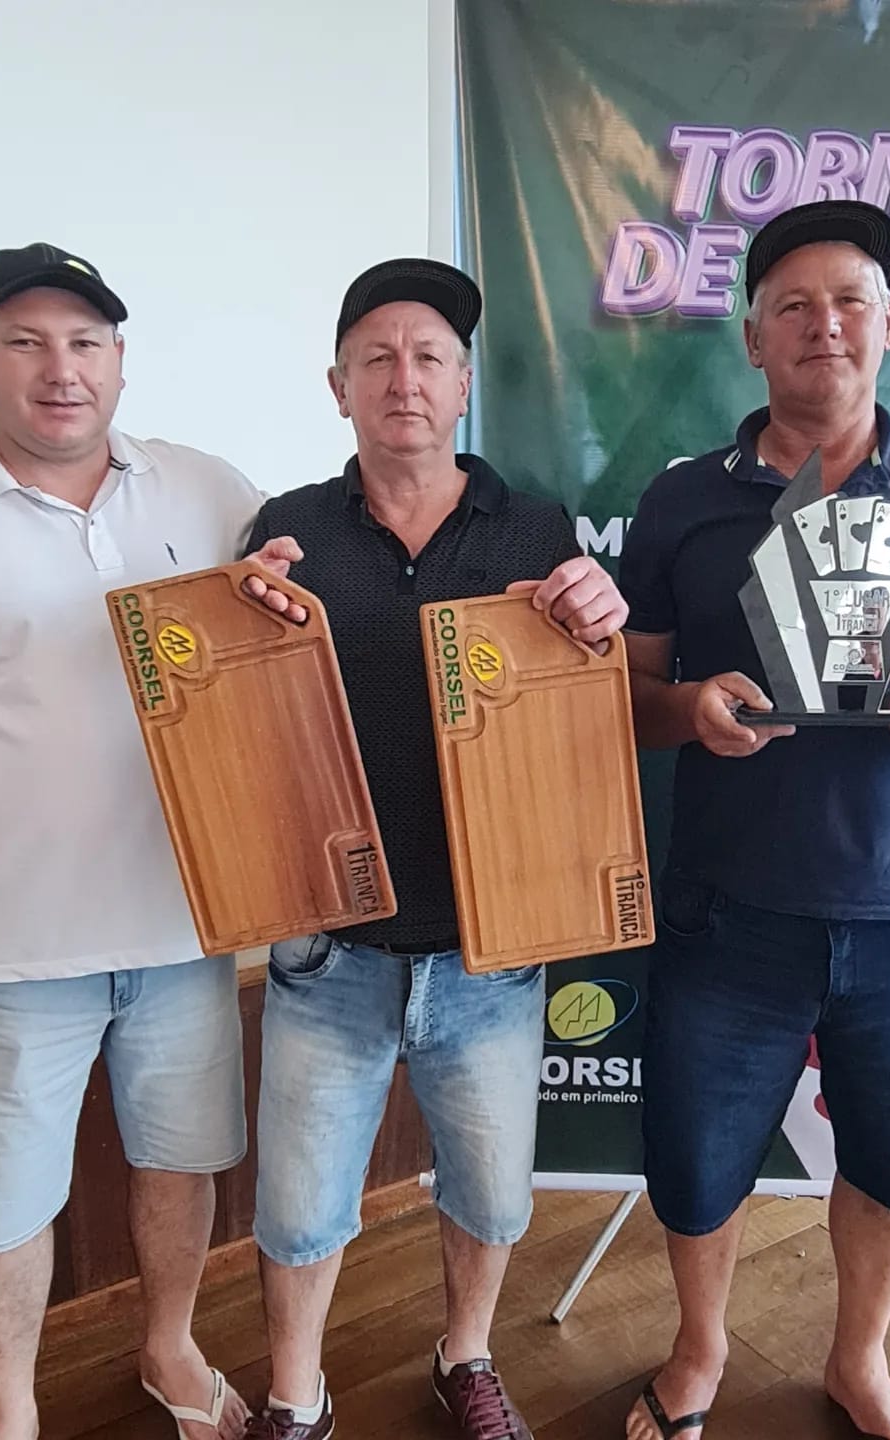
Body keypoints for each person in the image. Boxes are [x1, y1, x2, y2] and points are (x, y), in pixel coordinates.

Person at [0, 243, 297, 1440]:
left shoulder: (209, 491)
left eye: (86, 342)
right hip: (3, 950)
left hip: (186, 929)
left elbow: (291, 650)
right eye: (27, 342)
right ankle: (12, 1413)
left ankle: (169, 1348)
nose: (61, 370)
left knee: (183, 1163)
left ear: (120, 360)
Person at [617, 201, 890, 1440]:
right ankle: (699, 1352)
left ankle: (860, 1362)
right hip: (728, 904)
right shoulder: (682, 502)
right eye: (794, 307)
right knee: (700, 1163)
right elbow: (624, 698)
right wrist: (689, 708)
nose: (826, 325)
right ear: (752, 339)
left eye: (851, 301)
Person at [240, 258, 627, 1440]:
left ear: (463, 385)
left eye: (428, 358)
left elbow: (577, 711)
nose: (402, 379)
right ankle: (296, 1395)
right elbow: (248, 727)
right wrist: (234, 628)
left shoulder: (536, 526)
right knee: (300, 1208)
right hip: (330, 948)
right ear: (338, 386)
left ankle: (467, 1357)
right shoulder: (289, 530)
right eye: (377, 358)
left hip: (489, 950)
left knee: (493, 1197)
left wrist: (600, 628)